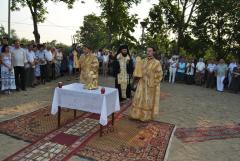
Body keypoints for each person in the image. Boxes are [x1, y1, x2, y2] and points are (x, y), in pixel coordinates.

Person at [129, 47, 163, 121]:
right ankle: (136, 115)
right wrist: (137, 64)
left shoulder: (157, 63)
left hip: (149, 84)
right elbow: (138, 72)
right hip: (141, 83)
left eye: (150, 51)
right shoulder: (143, 61)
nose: (148, 52)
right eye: (147, 51)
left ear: (153, 52)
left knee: (147, 101)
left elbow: (159, 74)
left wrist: (152, 80)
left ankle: (145, 116)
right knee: (138, 98)